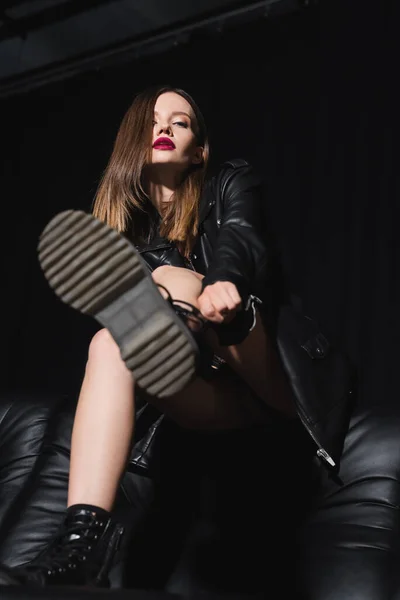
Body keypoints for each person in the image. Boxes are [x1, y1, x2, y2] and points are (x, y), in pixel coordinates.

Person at [0, 85, 300, 588]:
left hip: (266, 379)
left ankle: (172, 314)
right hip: (208, 401)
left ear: (199, 150)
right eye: (152, 122)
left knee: (164, 284)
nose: (162, 128)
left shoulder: (230, 180)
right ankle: (81, 546)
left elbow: (242, 238)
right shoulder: (130, 242)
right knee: (108, 343)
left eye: (179, 123)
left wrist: (224, 281)